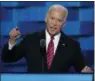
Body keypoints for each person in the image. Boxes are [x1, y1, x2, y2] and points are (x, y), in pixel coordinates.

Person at [1, 4, 92, 73]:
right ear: (46, 18)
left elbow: (82, 70)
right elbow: (7, 58)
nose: (54, 23)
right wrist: (12, 40)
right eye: (52, 18)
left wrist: (86, 73)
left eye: (59, 20)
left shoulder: (72, 45)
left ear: (64, 24)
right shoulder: (31, 40)